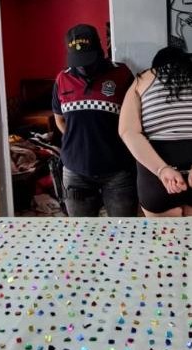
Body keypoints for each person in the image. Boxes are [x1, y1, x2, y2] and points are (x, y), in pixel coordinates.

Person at [119, 46, 192, 217]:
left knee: (167, 235)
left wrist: (161, 170)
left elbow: (127, 131)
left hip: (157, 179)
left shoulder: (143, 80)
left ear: (156, 66)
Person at [52, 24, 138, 217]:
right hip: (76, 172)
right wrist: (79, 141)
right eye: (78, 60)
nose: (83, 66)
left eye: (87, 60)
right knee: (82, 231)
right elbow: (60, 120)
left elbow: (134, 118)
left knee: (124, 230)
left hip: (117, 172)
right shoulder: (62, 79)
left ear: (99, 50)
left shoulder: (121, 74)